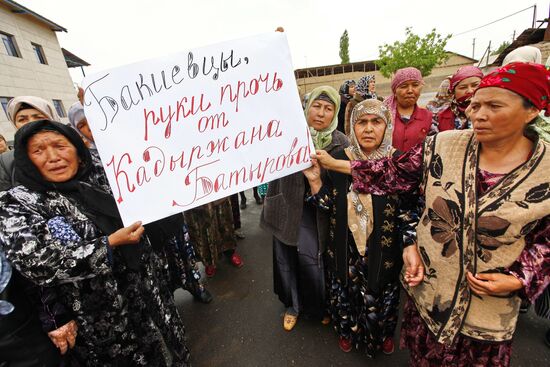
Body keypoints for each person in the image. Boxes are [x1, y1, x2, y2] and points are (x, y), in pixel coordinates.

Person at [313, 62, 550, 366]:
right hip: (427, 292)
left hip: (486, 313)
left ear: (531, 110)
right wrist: (411, 244)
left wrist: (520, 278)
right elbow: (393, 175)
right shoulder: (443, 146)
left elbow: (545, 242)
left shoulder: (543, 173)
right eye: (475, 104)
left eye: (494, 105)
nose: (478, 114)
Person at [0, 120, 190, 366]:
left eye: (60, 146)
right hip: (101, 317)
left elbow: (152, 197)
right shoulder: (18, 203)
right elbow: (36, 262)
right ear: (25, 159)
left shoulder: (105, 175)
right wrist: (108, 244)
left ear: (78, 152)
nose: (52, 157)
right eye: (38, 151)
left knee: (171, 347)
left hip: (149, 290)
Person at [324, 99, 416, 356]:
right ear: (352, 127)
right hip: (345, 247)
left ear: (387, 126)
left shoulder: (399, 163)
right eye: (361, 122)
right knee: (345, 291)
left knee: (382, 295)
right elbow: (325, 204)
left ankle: (382, 335)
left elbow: (409, 210)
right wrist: (313, 182)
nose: (368, 128)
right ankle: (346, 331)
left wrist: (410, 243)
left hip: (383, 250)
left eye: (376, 122)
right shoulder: (338, 159)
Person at [260, 85, 349, 331]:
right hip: (286, 207)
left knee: (316, 262)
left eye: (328, 108)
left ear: (336, 113)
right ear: (307, 108)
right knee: (286, 259)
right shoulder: (286, 134)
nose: (320, 113)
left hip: (318, 211)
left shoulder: (341, 142)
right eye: (316, 107)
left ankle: (318, 306)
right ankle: (293, 306)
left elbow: (344, 184)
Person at [1, 96, 74, 366]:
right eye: (22, 119)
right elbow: (25, 253)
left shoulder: (78, 164)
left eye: (36, 116)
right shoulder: (10, 174)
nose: (52, 158)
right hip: (51, 285)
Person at [185, 197, 244, 278]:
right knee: (202, 229)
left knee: (224, 224)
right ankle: (208, 261)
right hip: (195, 197)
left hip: (218, 193)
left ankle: (230, 252)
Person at [384, 67, 433, 152]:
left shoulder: (429, 117)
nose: (410, 90)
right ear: (395, 91)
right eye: (404, 86)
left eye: (415, 85)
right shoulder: (384, 115)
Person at [433, 66, 484, 132]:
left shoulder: (496, 110)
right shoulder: (440, 117)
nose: (470, 91)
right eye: (463, 87)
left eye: (475, 85)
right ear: (453, 92)